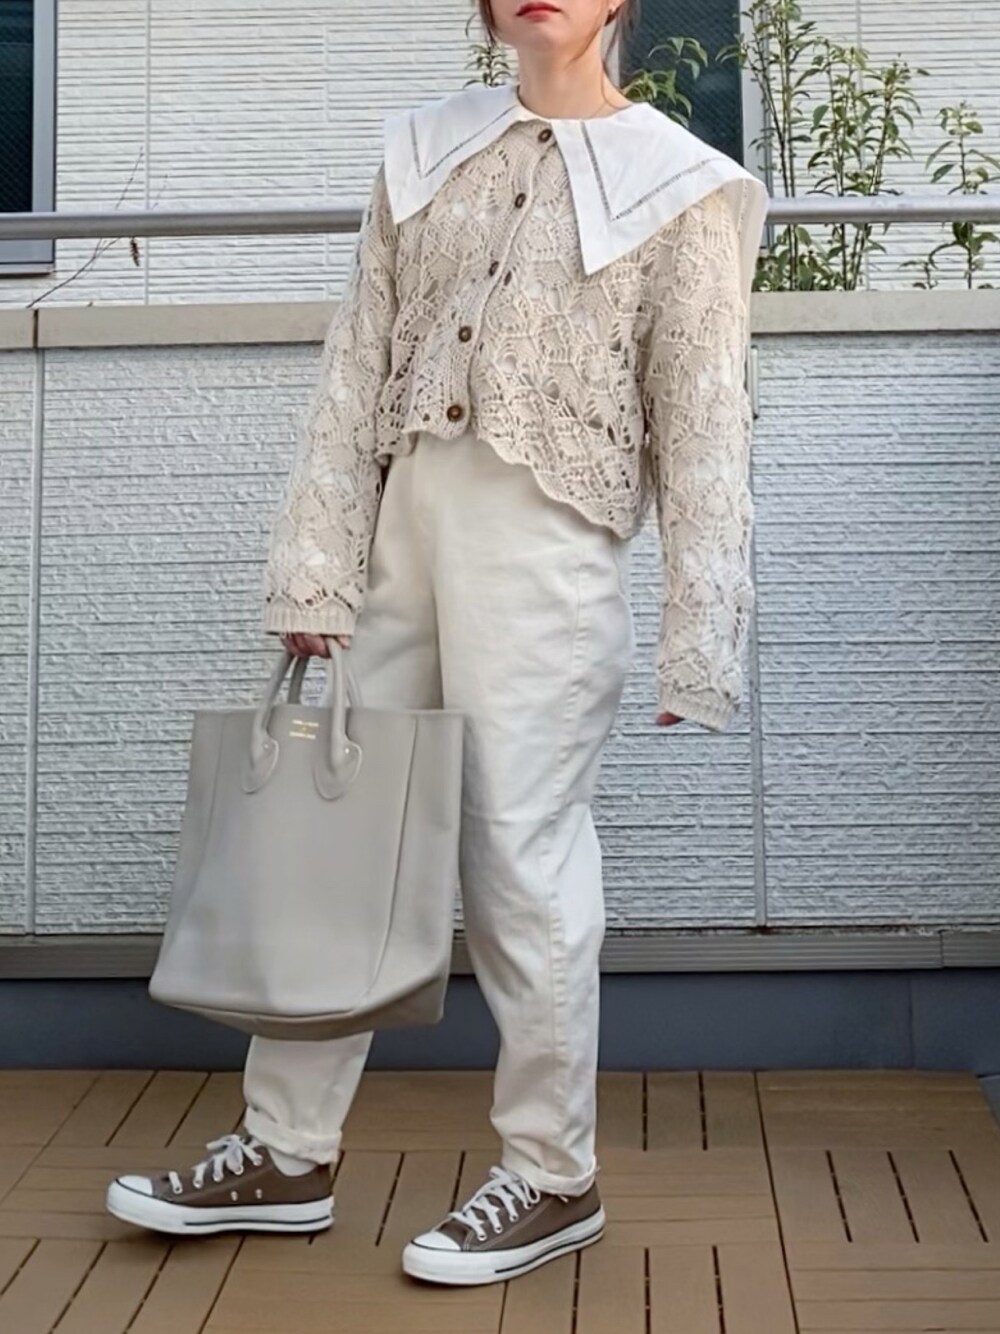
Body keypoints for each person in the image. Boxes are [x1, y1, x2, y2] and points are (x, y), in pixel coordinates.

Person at [105, 0, 768, 1287]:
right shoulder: (424, 148)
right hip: (397, 530)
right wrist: (318, 563)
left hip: (548, 550)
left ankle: (551, 1169)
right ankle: (285, 1148)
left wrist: (702, 627)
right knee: (332, 835)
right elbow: (356, 365)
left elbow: (702, 416)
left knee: (520, 852)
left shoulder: (681, 184)